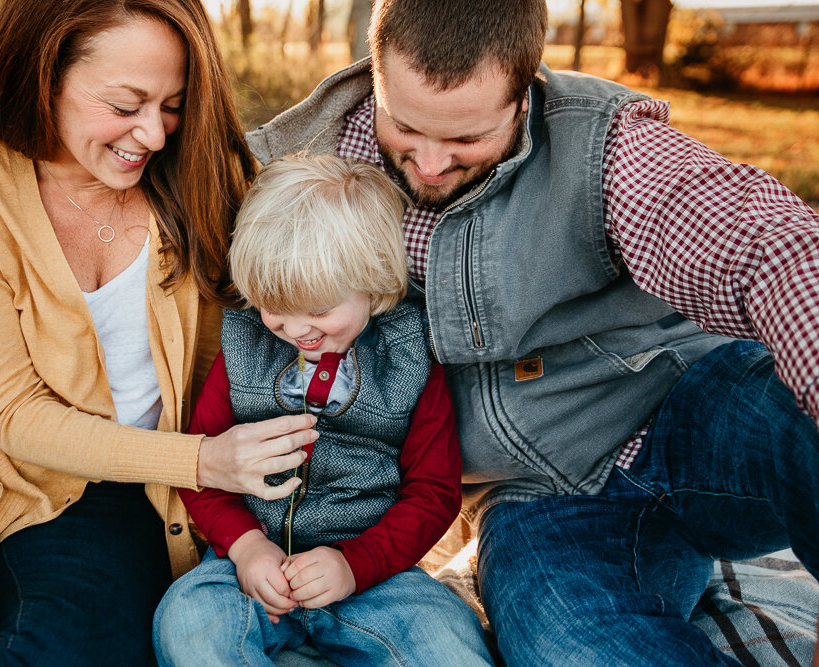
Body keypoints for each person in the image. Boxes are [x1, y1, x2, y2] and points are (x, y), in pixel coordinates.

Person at [242, 0, 819, 665]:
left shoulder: (603, 144)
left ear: (525, 96)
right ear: (375, 76)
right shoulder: (301, 171)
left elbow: (772, 248)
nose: (429, 163)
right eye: (403, 126)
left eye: (465, 140)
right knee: (572, 652)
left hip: (689, 409)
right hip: (534, 501)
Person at [0, 0, 318, 664]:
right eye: (125, 104)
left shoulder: (207, 183)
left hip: (115, 485)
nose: (154, 134)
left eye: (172, 104)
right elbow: (12, 412)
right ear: (47, 71)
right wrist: (204, 460)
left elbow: (323, 245)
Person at [152, 154, 494, 666]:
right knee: (188, 621)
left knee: (450, 644)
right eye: (273, 308)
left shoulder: (411, 355)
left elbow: (434, 491)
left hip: (373, 573)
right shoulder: (245, 343)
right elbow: (203, 466)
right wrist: (244, 547)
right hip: (250, 566)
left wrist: (356, 564)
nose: (294, 330)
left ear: (375, 288)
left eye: (317, 311)